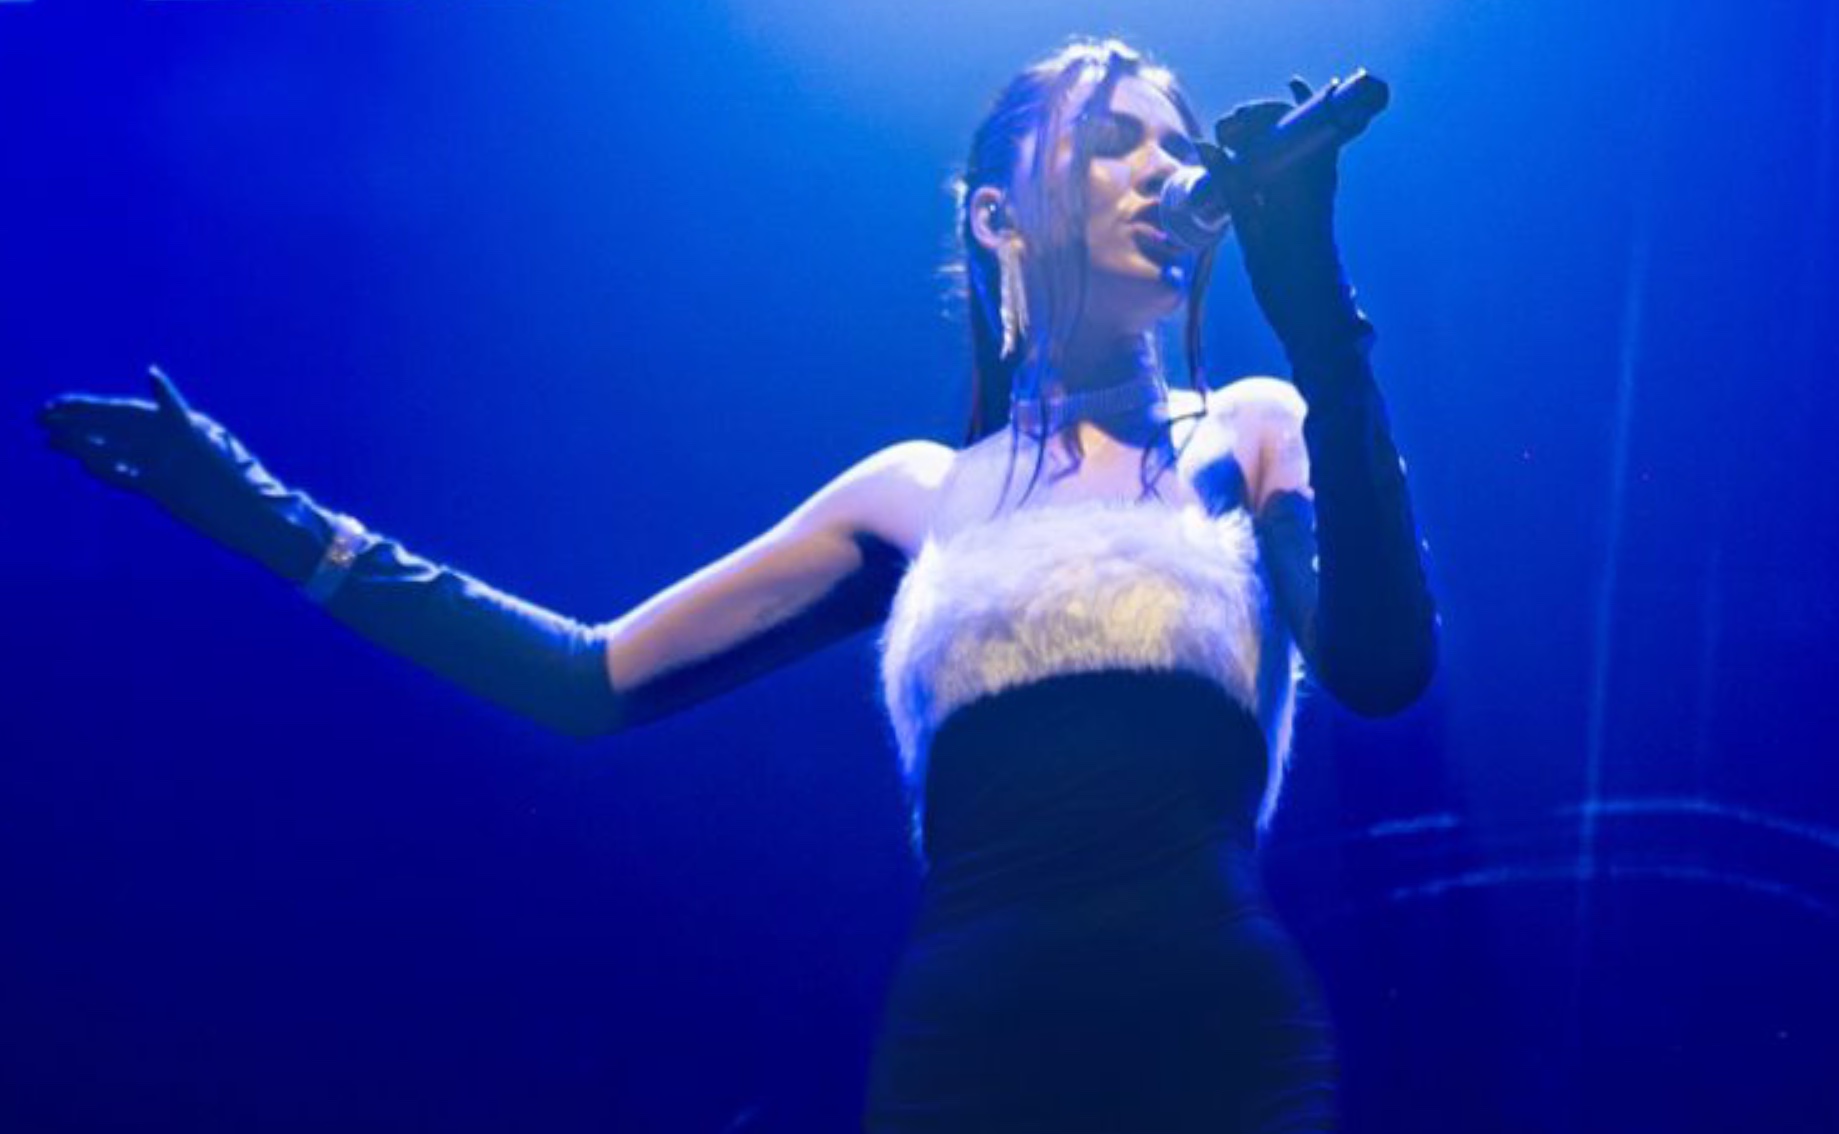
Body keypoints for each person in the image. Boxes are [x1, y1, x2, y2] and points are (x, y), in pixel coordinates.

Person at [39, 37, 1435, 1134]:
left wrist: (1319, 315)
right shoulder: (910, 497)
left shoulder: (1251, 430)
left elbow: (1382, 669)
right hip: (974, 1058)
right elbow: (587, 680)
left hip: (1215, 1044)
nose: (1161, 172)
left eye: (1177, 147)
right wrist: (276, 521)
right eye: (1115, 140)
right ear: (1000, 216)